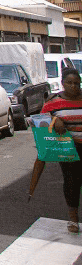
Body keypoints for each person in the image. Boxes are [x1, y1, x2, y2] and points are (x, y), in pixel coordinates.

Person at [42, 66, 82, 233]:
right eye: (70, 83)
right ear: (63, 83)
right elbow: (40, 122)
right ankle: (73, 218)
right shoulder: (53, 103)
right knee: (72, 181)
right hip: (68, 148)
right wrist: (53, 119)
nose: (73, 86)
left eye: (77, 83)